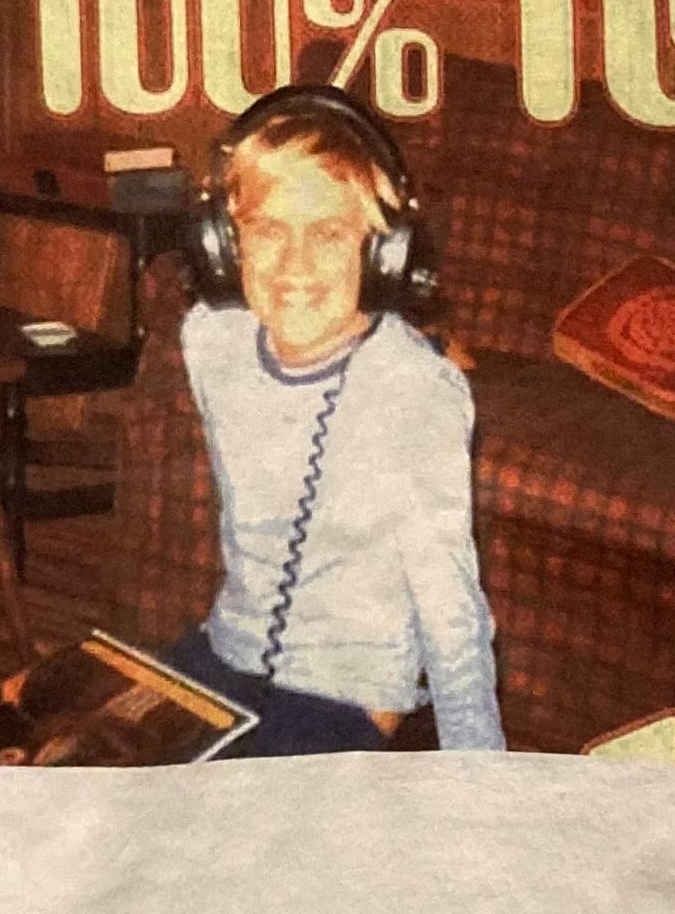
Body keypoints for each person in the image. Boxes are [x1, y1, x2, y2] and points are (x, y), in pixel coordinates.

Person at [164, 91, 505, 755]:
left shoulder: (414, 391)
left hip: (346, 689)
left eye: (328, 235)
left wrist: (477, 775)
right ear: (225, 246)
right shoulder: (211, 341)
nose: (294, 265)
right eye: (268, 231)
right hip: (225, 653)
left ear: (382, 255)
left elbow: (452, 610)